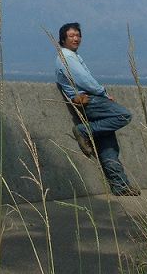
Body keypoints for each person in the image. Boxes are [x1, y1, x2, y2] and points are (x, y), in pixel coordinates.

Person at [55, 22, 140, 197]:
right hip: (89, 100)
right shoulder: (66, 57)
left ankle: (120, 186)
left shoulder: (73, 56)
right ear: (63, 39)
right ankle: (84, 131)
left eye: (78, 35)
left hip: (89, 100)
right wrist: (103, 92)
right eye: (71, 36)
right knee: (124, 115)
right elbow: (84, 80)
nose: (76, 38)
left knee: (109, 147)